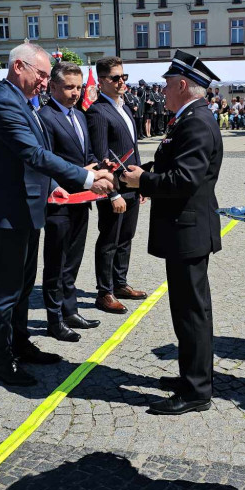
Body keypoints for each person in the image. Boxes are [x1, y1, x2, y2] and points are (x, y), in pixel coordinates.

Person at [0, 42, 115, 387]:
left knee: (24, 286)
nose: (44, 81)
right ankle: (1, 362)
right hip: (9, 212)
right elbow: (34, 153)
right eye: (40, 74)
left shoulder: (22, 101)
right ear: (18, 67)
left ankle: (20, 345)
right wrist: (86, 178)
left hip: (28, 206)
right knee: (7, 291)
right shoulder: (4, 103)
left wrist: (52, 185)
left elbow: (33, 158)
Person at [121, 50, 223, 416]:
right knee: (188, 310)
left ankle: (196, 390)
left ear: (182, 85)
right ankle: (192, 377)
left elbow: (185, 179)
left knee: (191, 312)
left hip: (189, 230)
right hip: (185, 228)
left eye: (166, 84)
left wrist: (144, 181)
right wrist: (142, 173)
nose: (162, 90)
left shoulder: (196, 122)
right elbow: (174, 164)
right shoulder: (190, 117)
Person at [38, 62, 104, 342]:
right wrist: (79, 174)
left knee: (73, 260)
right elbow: (45, 160)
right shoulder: (44, 117)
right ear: (53, 86)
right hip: (59, 201)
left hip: (81, 199)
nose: (75, 93)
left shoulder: (79, 115)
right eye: (69, 87)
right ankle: (54, 320)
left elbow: (86, 155)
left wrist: (99, 168)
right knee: (56, 263)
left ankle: (70, 310)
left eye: (78, 87)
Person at [87, 56, 148, 314]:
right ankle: (105, 292)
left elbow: (133, 149)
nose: (121, 81)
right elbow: (101, 157)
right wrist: (112, 194)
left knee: (126, 237)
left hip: (131, 185)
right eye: (115, 78)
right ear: (101, 82)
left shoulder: (125, 107)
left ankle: (120, 283)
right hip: (113, 188)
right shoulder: (98, 112)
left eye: (124, 77)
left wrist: (141, 183)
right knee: (109, 238)